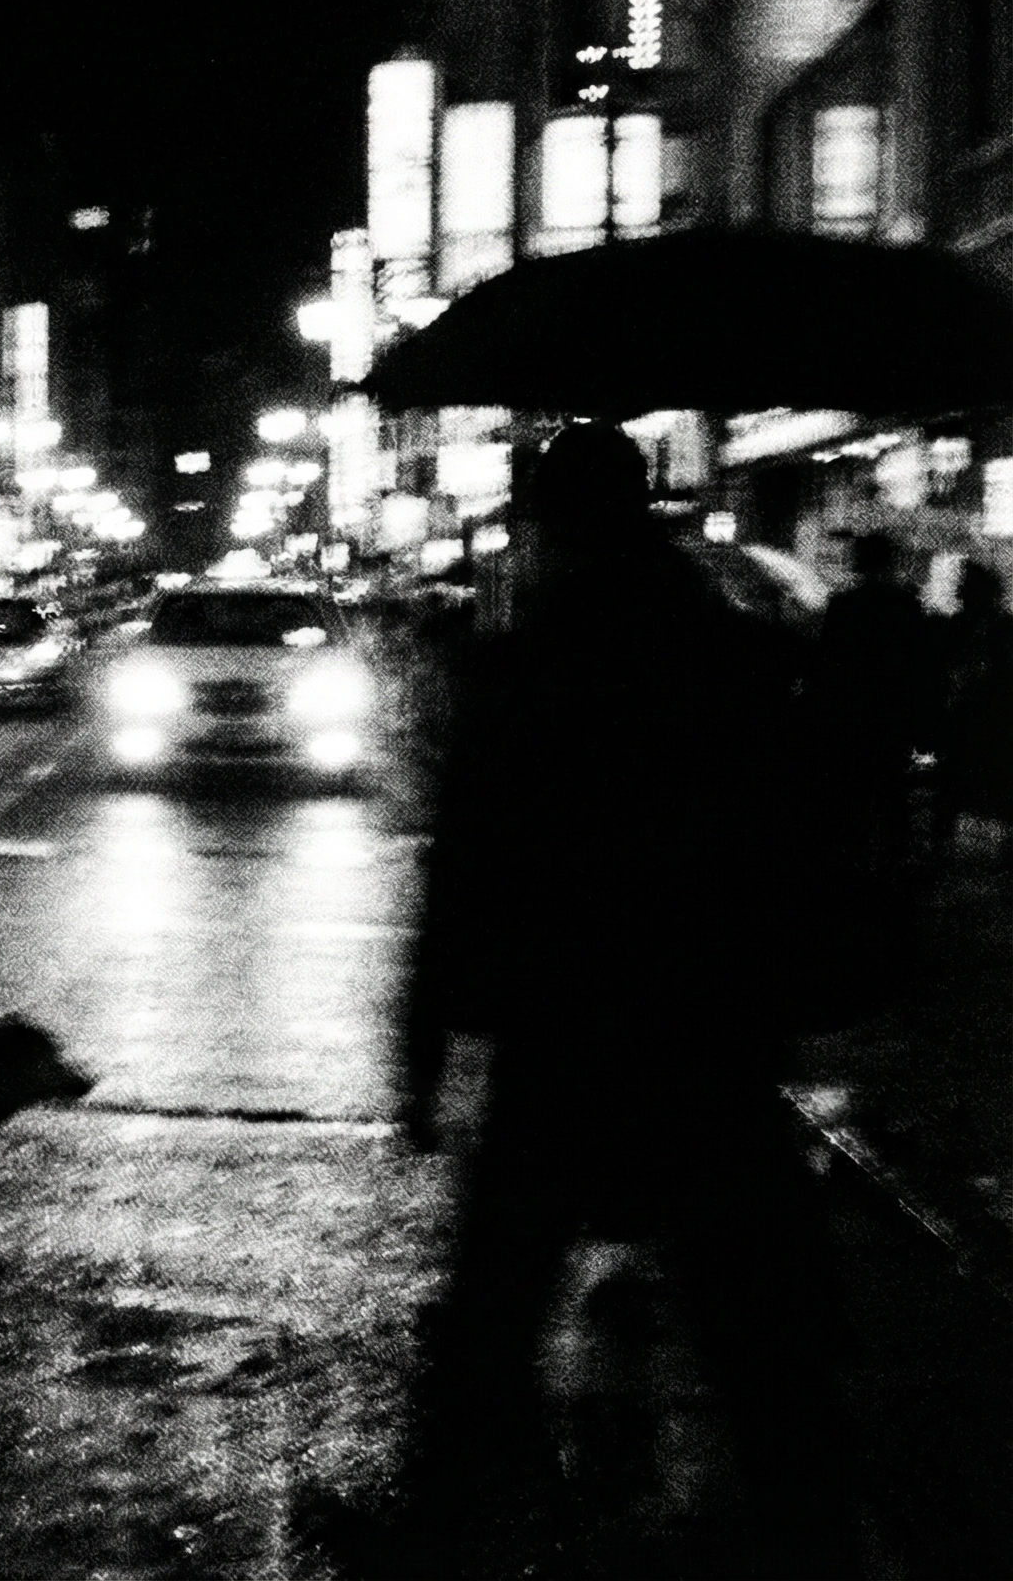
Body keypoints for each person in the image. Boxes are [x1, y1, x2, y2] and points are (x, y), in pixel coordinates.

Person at [370, 422, 865, 1579]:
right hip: (704, 1024)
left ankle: (444, 1521)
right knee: (753, 1318)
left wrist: (425, 1043)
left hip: (562, 1024)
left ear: (544, 524)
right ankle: (812, 1529)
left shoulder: (524, 669)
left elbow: (468, 868)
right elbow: (791, 841)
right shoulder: (735, 656)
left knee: (498, 1298)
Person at [807, 529, 938, 878]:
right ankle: (894, 856)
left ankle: (855, 855)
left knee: (854, 788)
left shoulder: (843, 605)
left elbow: (827, 664)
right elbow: (919, 666)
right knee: (891, 785)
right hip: (890, 710)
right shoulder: (905, 605)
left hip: (851, 711)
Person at [934, 557, 1013, 861]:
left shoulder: (955, 627)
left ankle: (940, 842)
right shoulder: (1002, 627)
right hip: (990, 718)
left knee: (955, 780)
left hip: (965, 715)